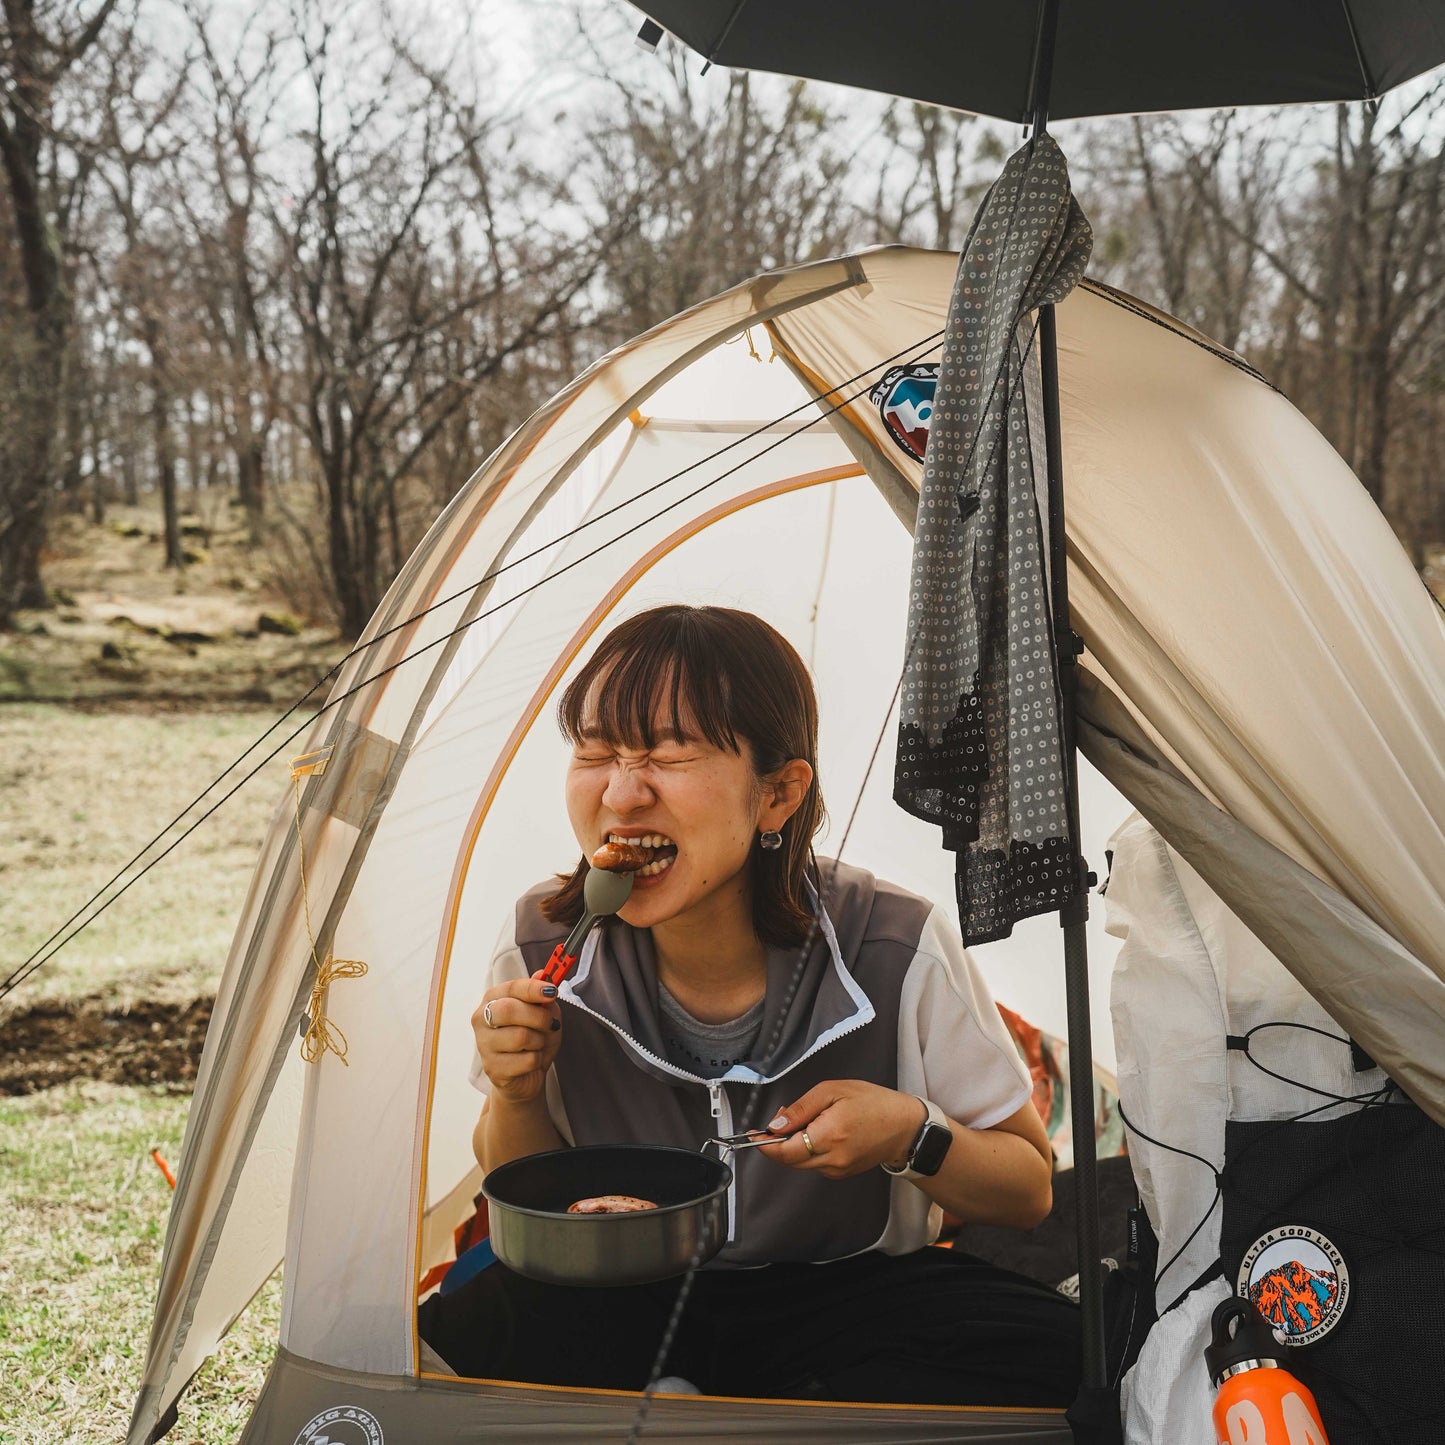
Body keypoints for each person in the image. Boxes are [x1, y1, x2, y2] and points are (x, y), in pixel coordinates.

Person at [419, 604, 1081, 1405]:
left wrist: (908, 1131)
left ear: (777, 794)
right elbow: (520, 1178)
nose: (622, 791)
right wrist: (518, 1092)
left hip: (848, 1294)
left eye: (668, 751)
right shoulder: (541, 943)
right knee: (419, 1367)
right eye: (595, 751)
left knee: (1074, 1362)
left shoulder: (892, 945)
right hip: (615, 1295)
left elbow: (1027, 1189)